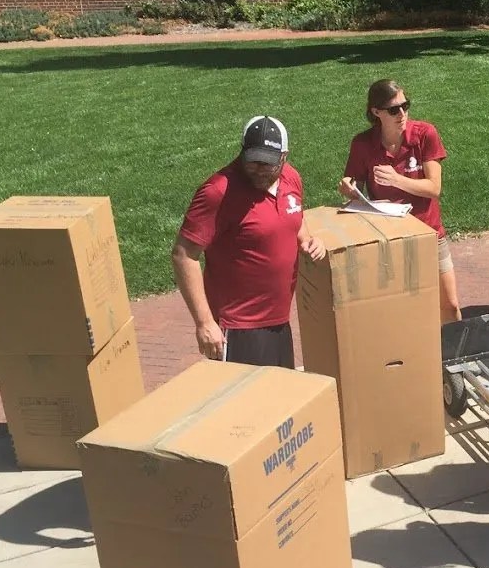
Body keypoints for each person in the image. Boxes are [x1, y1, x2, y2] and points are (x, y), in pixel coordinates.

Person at [173, 115, 327, 367]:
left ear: (284, 157)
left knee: (280, 399)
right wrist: (204, 322)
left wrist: (308, 239)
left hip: (278, 320)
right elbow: (183, 255)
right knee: (250, 405)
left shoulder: (291, 179)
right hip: (238, 327)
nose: (258, 169)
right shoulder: (218, 192)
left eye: (267, 164)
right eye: (252, 161)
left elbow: (295, 216)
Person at [339, 79, 461, 322]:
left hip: (430, 234)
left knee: (450, 304)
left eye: (406, 106)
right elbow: (356, 188)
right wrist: (349, 189)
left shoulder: (425, 134)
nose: (402, 114)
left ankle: (454, 356)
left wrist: (396, 179)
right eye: (394, 109)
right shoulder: (362, 144)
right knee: (404, 309)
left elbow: (434, 188)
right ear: (376, 112)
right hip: (390, 238)